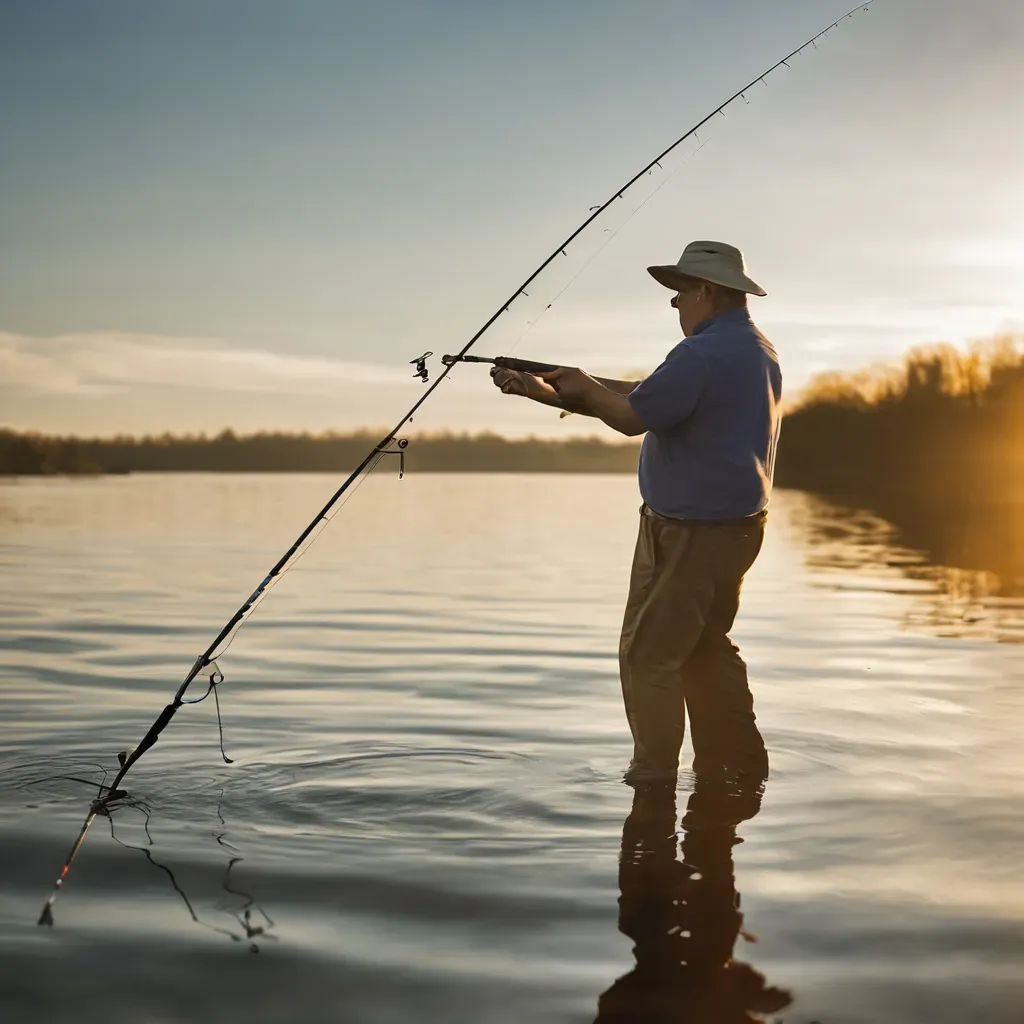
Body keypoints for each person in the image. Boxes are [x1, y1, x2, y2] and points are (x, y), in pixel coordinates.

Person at [490, 240, 782, 784]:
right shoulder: (754, 350)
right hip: (736, 532)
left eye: (678, 293)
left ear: (706, 290)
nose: (674, 305)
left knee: (649, 659)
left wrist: (580, 385)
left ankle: (653, 781)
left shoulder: (701, 353)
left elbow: (630, 417)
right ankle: (737, 766)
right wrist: (550, 392)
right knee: (702, 650)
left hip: (687, 538)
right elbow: (647, 397)